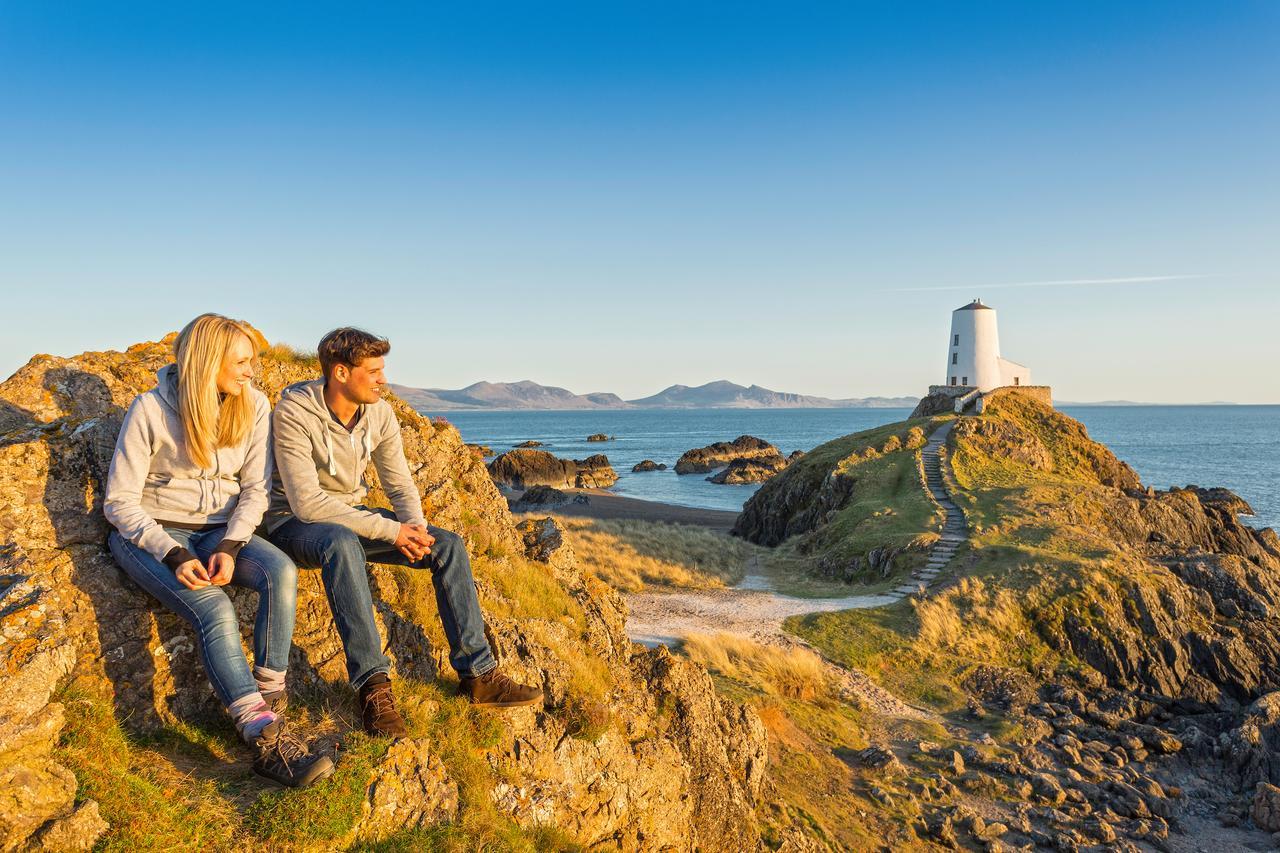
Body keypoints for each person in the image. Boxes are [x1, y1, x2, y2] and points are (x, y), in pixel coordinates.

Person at [266, 327, 542, 738]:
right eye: (374, 371)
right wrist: (390, 532)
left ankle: (478, 675)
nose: (383, 379)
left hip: (349, 514)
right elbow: (307, 503)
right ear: (341, 373)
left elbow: (398, 484)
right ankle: (373, 689)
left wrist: (414, 530)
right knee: (340, 543)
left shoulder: (378, 412)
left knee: (446, 545)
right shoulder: (294, 412)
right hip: (292, 522)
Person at [104, 313, 333, 788]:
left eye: (253, 361)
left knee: (282, 572)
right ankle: (264, 740)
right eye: (242, 361)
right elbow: (119, 502)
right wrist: (171, 553)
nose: (252, 371)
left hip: (218, 532)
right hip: (152, 535)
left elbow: (255, 490)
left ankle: (271, 700)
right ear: (208, 361)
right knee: (216, 609)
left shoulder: (253, 405)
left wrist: (232, 543)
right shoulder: (148, 409)